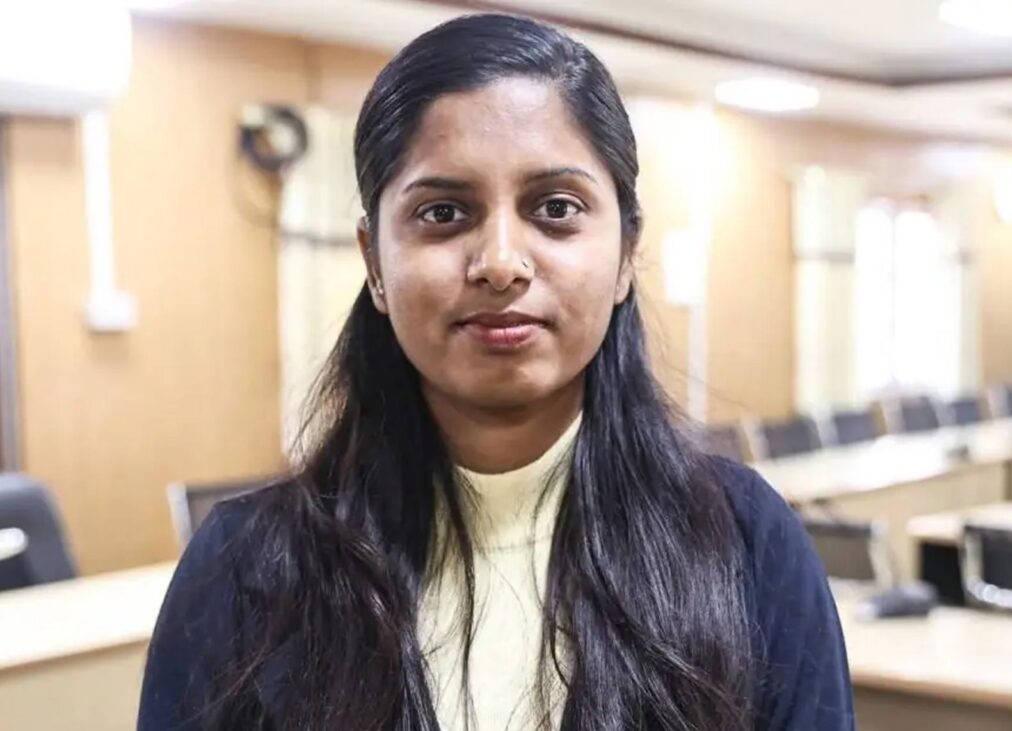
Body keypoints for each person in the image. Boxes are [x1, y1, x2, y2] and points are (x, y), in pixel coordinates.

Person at [139, 13, 854, 731]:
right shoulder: (243, 567)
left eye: (556, 208)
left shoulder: (746, 543)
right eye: (444, 212)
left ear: (626, 253)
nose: (502, 263)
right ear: (374, 262)